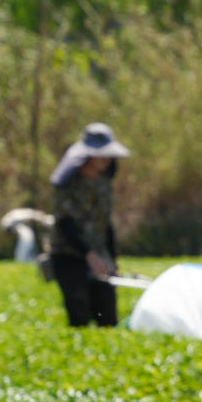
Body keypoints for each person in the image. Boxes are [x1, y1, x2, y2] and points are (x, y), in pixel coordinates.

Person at [48, 121, 130, 327]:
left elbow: (105, 222)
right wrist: (89, 255)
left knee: (108, 317)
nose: (106, 158)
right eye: (100, 153)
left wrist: (111, 257)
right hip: (70, 256)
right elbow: (65, 224)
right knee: (79, 317)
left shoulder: (103, 182)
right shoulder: (69, 183)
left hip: (99, 254)